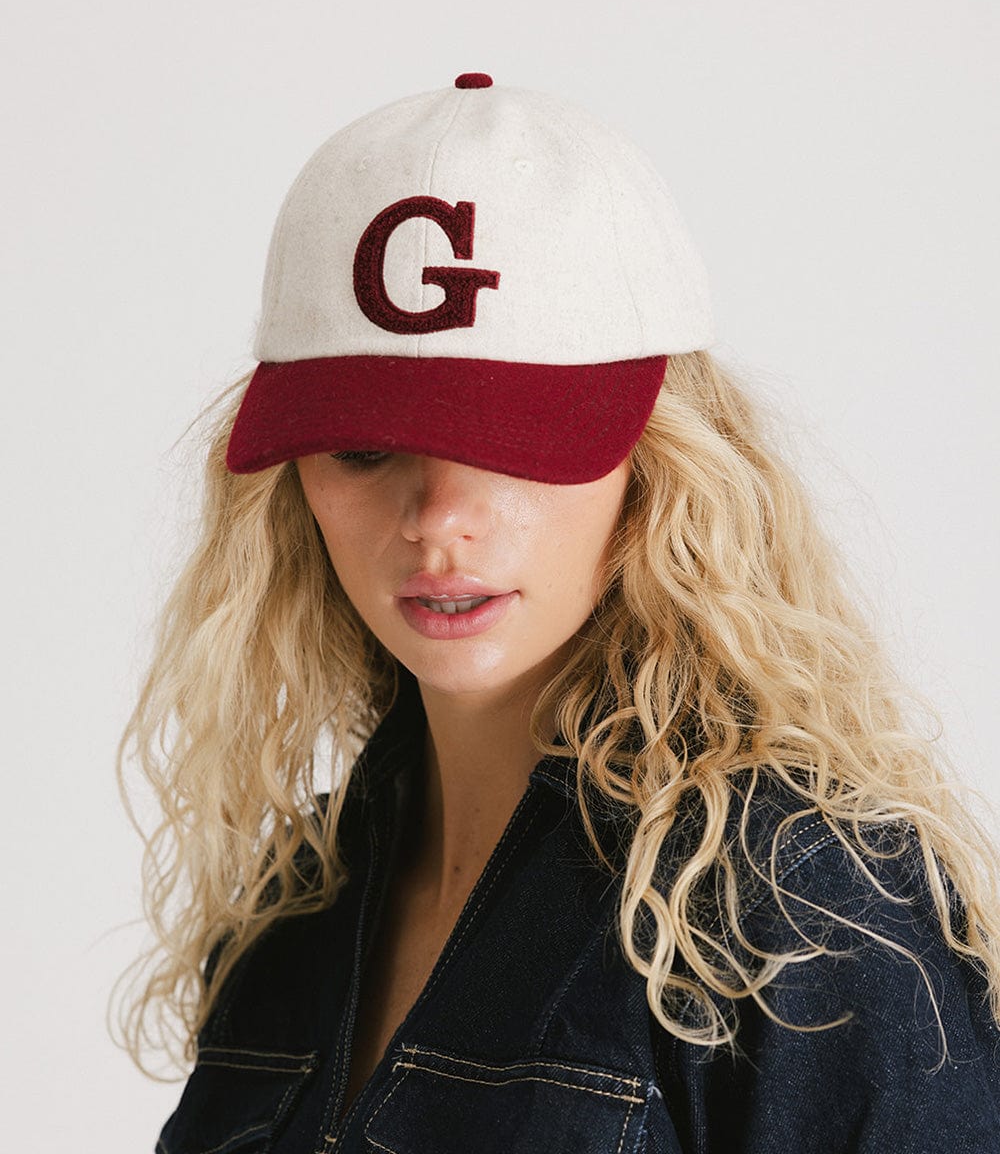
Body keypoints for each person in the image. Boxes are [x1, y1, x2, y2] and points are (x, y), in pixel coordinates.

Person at [116, 72, 1000, 1152]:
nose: (438, 521)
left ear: (662, 465)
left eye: (511, 447)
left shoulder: (800, 905)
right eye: (364, 448)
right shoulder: (294, 915)